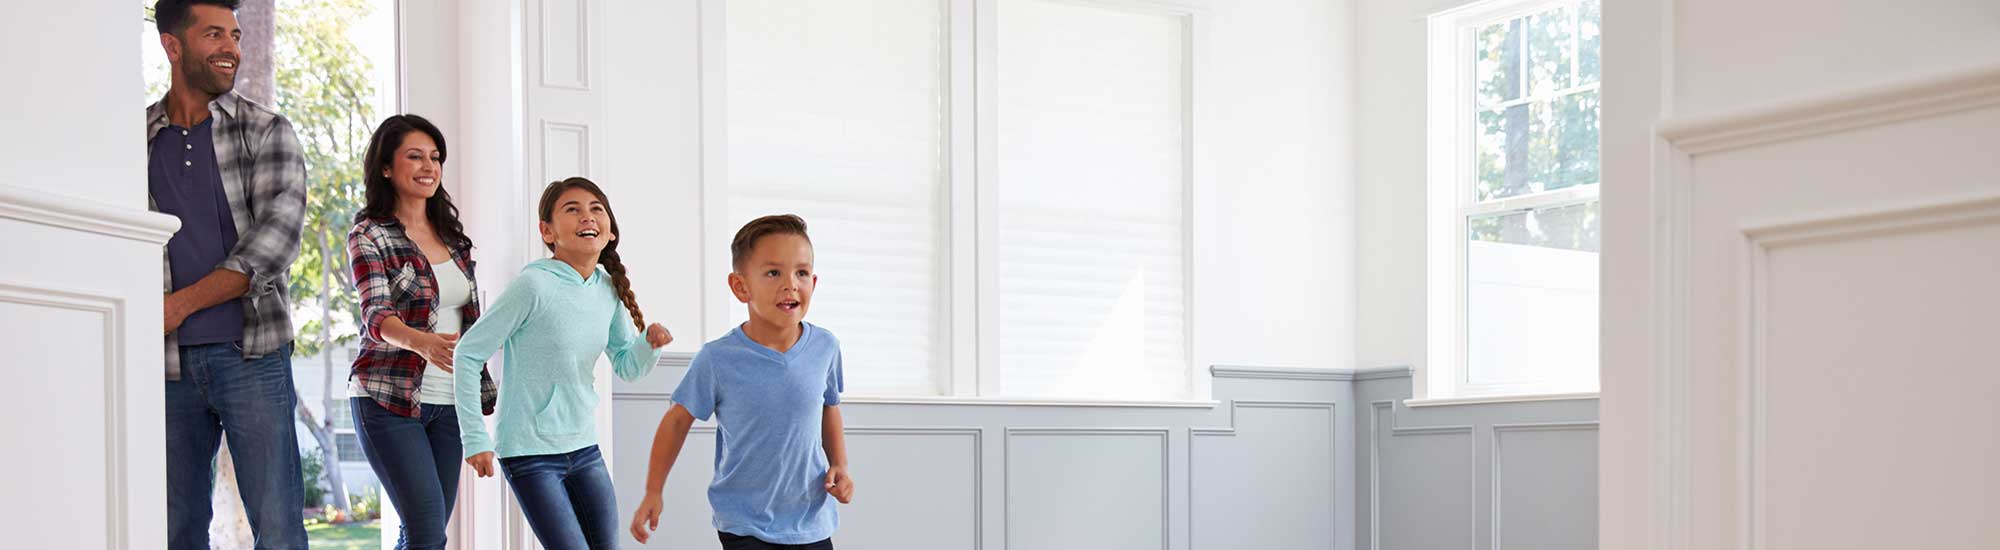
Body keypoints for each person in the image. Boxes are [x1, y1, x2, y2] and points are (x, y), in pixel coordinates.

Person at [149, 0, 310, 547]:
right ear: (173, 46)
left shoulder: (267, 131)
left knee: (280, 526)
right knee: (176, 527)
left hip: (253, 356)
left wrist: (177, 307)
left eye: (237, 36)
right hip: (163, 367)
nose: (232, 49)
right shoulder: (134, 140)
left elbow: (273, 244)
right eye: (214, 34)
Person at [454, 177, 673, 549]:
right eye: (572, 210)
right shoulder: (533, 286)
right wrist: (475, 437)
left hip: (584, 445)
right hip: (529, 451)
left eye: (596, 209)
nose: (587, 217)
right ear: (548, 231)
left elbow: (625, 365)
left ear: (610, 232)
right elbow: (468, 352)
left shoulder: (606, 288)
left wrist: (647, 345)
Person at [629, 214, 854, 550]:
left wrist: (840, 464)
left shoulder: (825, 347)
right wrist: (653, 491)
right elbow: (676, 421)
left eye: (801, 272)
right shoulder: (718, 359)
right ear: (740, 286)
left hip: (811, 520)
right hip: (744, 522)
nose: (790, 284)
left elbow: (828, 406)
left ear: (814, 282)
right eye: (774, 272)